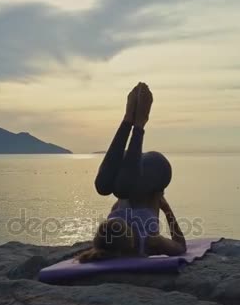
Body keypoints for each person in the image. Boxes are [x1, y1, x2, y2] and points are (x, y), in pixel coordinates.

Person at [77, 82, 187, 263]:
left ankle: (135, 122)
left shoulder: (147, 242)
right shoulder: (146, 239)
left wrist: (161, 204)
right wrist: (166, 209)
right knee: (107, 187)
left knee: (116, 188)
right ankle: (132, 121)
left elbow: (179, 246)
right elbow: (181, 247)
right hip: (132, 169)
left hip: (146, 172)